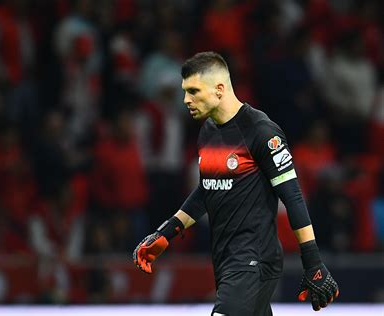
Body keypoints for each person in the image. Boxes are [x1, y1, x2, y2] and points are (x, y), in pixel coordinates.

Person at [133, 52, 339, 315]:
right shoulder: (208, 132)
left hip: (254, 260)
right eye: (185, 91)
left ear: (219, 89)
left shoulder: (261, 131)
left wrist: (313, 262)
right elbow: (207, 188)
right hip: (225, 260)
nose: (186, 99)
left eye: (194, 91)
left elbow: (293, 197)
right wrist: (167, 232)